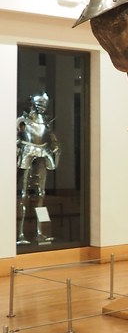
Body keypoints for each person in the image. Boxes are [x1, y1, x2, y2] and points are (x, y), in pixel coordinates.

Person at [16, 92, 60, 243]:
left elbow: (52, 140)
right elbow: (15, 140)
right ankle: (20, 233)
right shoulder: (22, 121)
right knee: (23, 195)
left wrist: (55, 148)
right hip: (27, 152)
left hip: (43, 153)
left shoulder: (46, 123)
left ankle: (39, 232)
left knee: (41, 194)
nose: (41, 106)